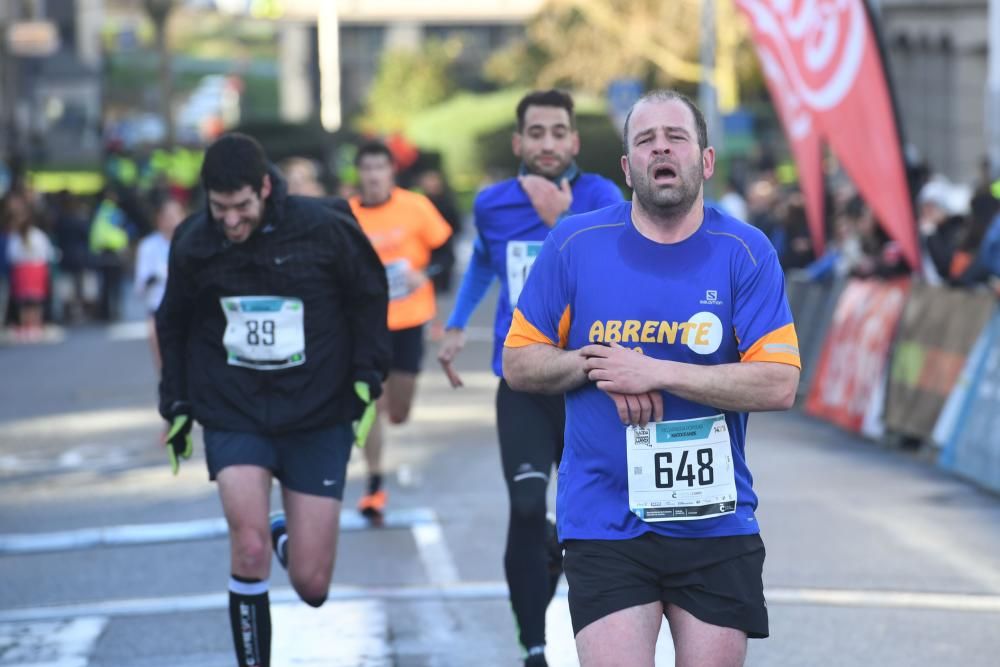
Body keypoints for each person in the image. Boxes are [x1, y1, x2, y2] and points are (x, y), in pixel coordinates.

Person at [502, 90, 801, 667]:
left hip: (714, 523)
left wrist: (656, 370)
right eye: (645, 140)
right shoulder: (575, 243)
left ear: (705, 161)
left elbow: (779, 382)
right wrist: (593, 363)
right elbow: (519, 363)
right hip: (604, 522)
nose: (660, 147)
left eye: (676, 137)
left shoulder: (746, 251)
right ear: (627, 168)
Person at [156, 133, 390, 667]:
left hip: (317, 410)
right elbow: (172, 322)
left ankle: (284, 532)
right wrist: (176, 404)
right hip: (234, 409)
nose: (231, 222)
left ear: (264, 188)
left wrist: (366, 374)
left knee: (311, 584)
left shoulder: (324, 228)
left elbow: (369, 293)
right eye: (220, 210)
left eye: (242, 208)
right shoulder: (195, 242)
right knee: (249, 548)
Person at [436, 89, 622, 666]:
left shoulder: (603, 198)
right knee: (523, 507)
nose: (546, 143)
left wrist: (558, 221)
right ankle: (534, 644)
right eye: (535, 133)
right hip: (520, 381)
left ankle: (584, 607)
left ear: (574, 142)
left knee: (587, 516)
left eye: (557, 132)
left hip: (587, 385)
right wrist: (457, 323)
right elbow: (485, 263)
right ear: (519, 142)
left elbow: (614, 272)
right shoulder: (492, 204)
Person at [349, 141, 453, 521]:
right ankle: (374, 485)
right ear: (359, 174)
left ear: (391, 172)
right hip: (366, 325)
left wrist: (423, 274)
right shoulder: (348, 215)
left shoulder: (415, 207)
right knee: (370, 404)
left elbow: (446, 253)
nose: (374, 175)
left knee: (398, 411)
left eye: (380, 167)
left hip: (409, 320)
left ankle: (393, 417)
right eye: (367, 168)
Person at [134, 194, 185, 368]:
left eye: (175, 216)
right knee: (163, 363)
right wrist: (158, 275)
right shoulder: (148, 246)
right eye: (167, 217)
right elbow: (140, 285)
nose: (171, 222)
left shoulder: (190, 243)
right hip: (158, 309)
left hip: (186, 310)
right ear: (159, 220)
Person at [4, 190, 56, 341]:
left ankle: (26, 327)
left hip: (21, 272)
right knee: (35, 302)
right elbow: (47, 254)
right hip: (36, 271)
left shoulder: (16, 238)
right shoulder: (39, 236)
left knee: (24, 302)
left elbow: (11, 256)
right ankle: (35, 326)